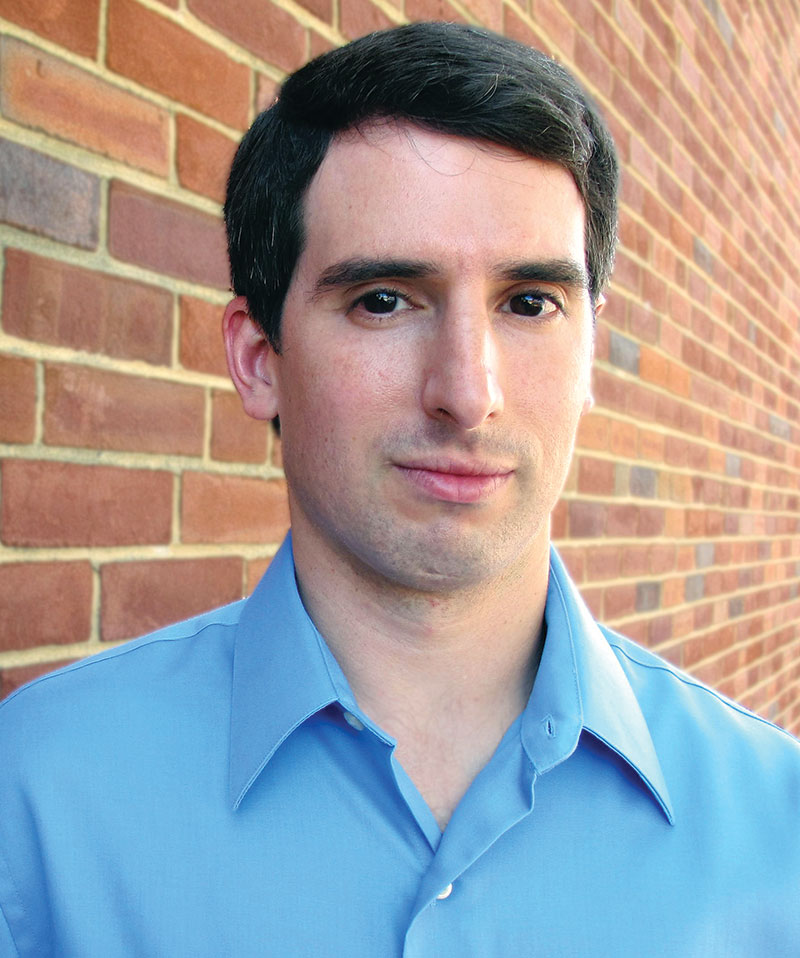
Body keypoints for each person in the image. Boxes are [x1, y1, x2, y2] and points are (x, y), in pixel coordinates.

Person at [0, 21, 798, 957]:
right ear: (259, 360)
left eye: (530, 302)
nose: (468, 392)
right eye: (384, 299)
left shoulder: (774, 826)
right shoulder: (38, 793)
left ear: (589, 354)